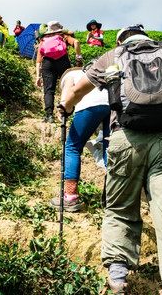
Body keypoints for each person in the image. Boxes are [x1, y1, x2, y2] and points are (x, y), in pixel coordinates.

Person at [56, 24, 162, 294]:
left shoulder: (110, 57)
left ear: (122, 40)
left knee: (120, 207)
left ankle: (118, 275)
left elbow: (77, 92)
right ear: (146, 36)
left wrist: (64, 106)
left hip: (125, 139)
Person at [49, 65, 110, 212]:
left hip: (90, 105)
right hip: (112, 104)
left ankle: (71, 197)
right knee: (110, 148)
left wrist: (64, 107)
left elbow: (68, 92)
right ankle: (110, 197)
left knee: (73, 147)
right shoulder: (93, 73)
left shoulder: (69, 76)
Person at [35, 20, 83, 123]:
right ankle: (66, 113)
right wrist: (78, 57)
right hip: (63, 61)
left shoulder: (43, 40)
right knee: (68, 87)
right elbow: (76, 42)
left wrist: (38, 77)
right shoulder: (63, 37)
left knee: (48, 90)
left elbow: (38, 62)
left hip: (47, 64)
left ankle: (49, 116)